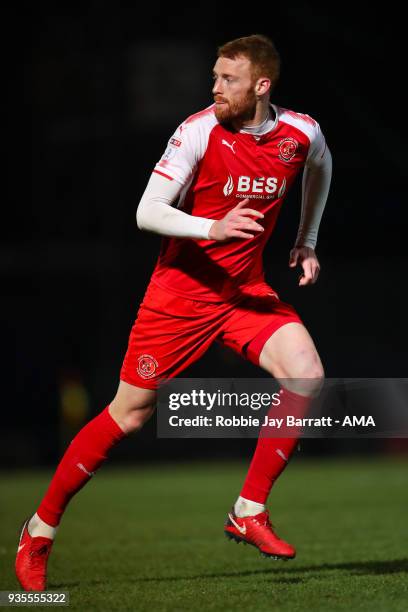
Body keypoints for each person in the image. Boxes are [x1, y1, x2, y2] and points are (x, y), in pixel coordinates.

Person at [16, 34, 332, 590]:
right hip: (180, 297)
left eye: (227, 80)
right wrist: (211, 227)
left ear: (262, 85)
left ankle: (249, 510)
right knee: (129, 414)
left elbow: (321, 166)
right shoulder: (198, 130)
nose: (215, 87)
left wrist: (306, 238)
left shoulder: (301, 132)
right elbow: (146, 212)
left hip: (244, 293)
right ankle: (38, 531)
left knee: (306, 375)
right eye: (214, 76)